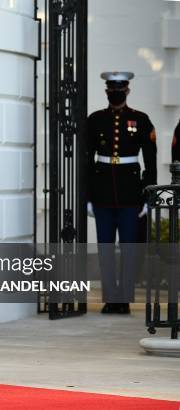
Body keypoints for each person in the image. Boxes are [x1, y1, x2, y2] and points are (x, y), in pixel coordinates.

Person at [87, 72, 157, 314]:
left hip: (131, 195)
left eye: (120, 88)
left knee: (129, 248)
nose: (115, 92)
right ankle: (110, 298)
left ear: (127, 90)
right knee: (105, 248)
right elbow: (87, 159)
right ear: (107, 91)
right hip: (102, 193)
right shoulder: (95, 120)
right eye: (111, 89)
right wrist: (87, 195)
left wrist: (148, 194)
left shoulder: (140, 119)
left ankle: (124, 299)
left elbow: (150, 160)